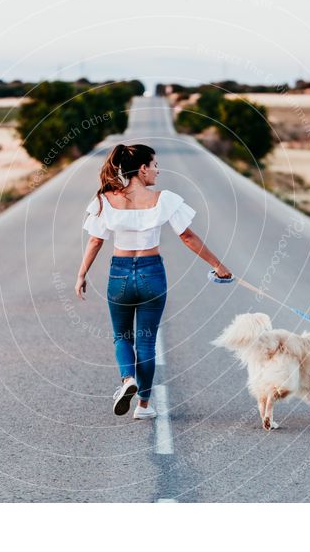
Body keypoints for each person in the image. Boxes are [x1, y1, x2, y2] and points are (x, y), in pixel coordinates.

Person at [75, 143, 232, 419]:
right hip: (151, 273)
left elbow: (95, 240)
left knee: (122, 336)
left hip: (120, 274)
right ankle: (144, 405)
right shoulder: (164, 199)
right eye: (155, 165)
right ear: (143, 168)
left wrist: (81, 274)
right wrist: (218, 266)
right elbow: (187, 237)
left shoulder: (106, 199)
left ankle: (127, 380)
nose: (158, 171)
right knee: (146, 342)